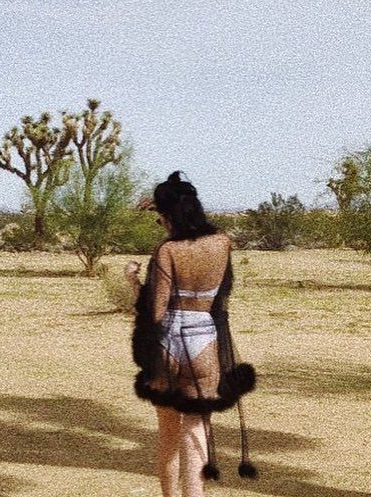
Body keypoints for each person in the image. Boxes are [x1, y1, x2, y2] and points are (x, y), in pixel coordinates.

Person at [126, 171, 258, 497]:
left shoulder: (167, 251)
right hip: (204, 342)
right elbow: (221, 297)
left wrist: (134, 283)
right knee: (196, 428)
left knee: (168, 434)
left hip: (168, 345)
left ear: (168, 215)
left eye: (161, 218)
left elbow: (156, 311)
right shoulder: (222, 243)